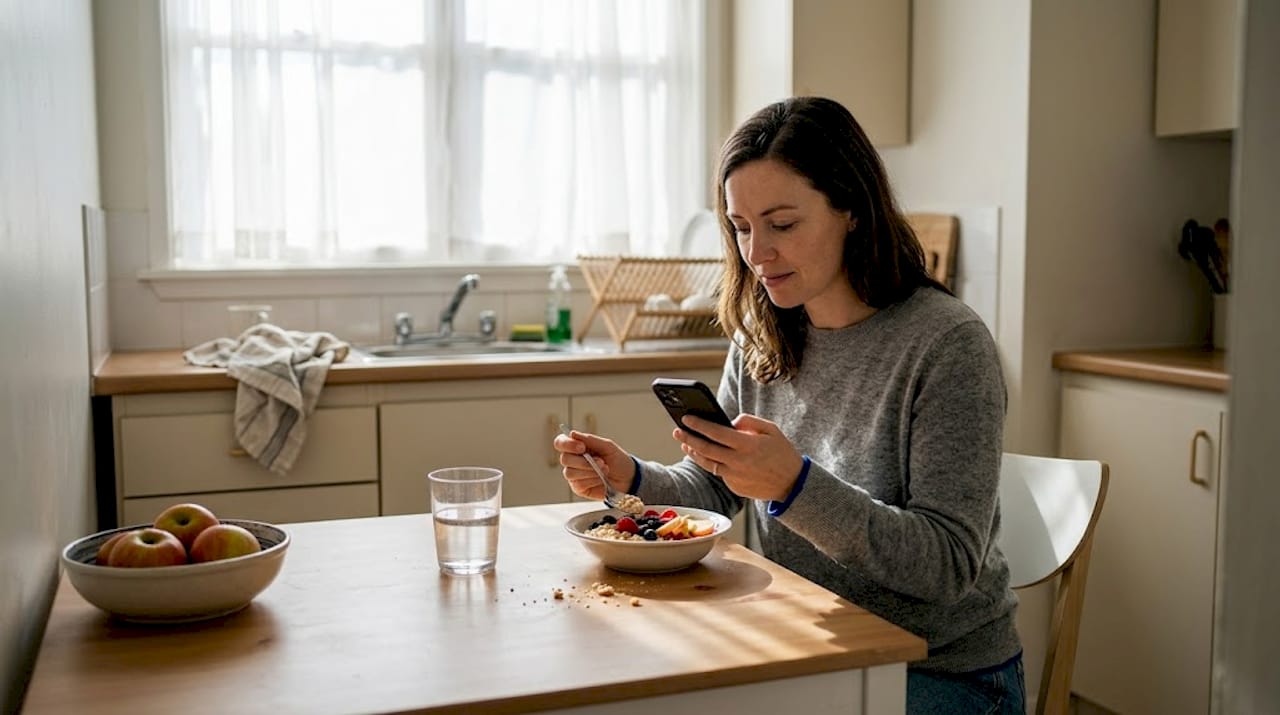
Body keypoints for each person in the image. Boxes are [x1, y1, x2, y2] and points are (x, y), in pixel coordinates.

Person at [554, 96, 1024, 714]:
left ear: (851, 209)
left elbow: (945, 566)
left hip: (939, 671)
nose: (756, 254)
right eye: (742, 228)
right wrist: (635, 480)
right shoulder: (763, 331)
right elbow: (716, 485)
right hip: (805, 641)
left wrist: (795, 487)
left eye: (782, 224)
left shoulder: (945, 345)